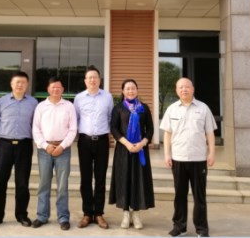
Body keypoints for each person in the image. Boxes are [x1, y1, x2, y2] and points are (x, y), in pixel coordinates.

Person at [159, 77, 217, 237]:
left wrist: (212, 153)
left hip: (199, 159)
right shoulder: (172, 109)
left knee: (199, 196)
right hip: (178, 158)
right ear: (176, 90)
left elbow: (210, 133)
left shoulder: (203, 108)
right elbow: (167, 134)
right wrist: (167, 154)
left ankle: (202, 229)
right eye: (180, 87)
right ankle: (180, 227)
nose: (184, 89)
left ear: (193, 89)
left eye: (187, 86)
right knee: (179, 195)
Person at [0, 71, 38, 229]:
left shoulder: (33, 102)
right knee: (0, 181)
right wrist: (4, 132)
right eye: (17, 82)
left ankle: (22, 215)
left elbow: (36, 123)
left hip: (24, 145)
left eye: (23, 82)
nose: (20, 85)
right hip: (5, 145)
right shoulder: (1, 101)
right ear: (11, 84)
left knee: (22, 182)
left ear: (27, 84)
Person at [31, 76, 77, 231]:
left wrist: (62, 146)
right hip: (44, 150)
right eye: (53, 87)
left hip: (63, 149)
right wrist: (45, 145)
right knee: (44, 184)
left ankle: (63, 217)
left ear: (62, 89)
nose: (56, 90)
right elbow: (36, 129)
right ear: (48, 89)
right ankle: (42, 216)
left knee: (62, 185)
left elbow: (73, 130)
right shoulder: (41, 107)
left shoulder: (69, 106)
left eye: (58, 87)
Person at [109, 78, 155, 230]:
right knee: (124, 180)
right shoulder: (118, 108)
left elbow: (150, 129)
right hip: (124, 150)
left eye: (133, 88)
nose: (130, 91)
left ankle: (136, 214)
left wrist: (142, 143)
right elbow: (114, 129)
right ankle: (125, 213)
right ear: (123, 91)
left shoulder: (144, 108)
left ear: (137, 90)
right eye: (127, 88)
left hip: (140, 149)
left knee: (138, 180)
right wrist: (127, 144)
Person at [73, 66, 113, 229]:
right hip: (84, 141)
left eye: (95, 77)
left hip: (102, 141)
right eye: (89, 77)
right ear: (85, 81)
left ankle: (99, 214)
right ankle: (87, 213)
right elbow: (76, 119)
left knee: (100, 178)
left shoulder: (107, 97)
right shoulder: (79, 98)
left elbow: (110, 117)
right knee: (85, 178)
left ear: (99, 80)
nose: (92, 80)